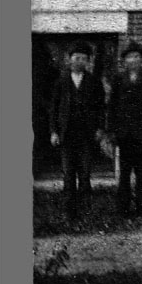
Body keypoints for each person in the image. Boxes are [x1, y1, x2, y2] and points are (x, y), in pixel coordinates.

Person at [50, 42, 106, 220]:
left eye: (84, 59)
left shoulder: (94, 82)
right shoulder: (61, 81)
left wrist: (99, 129)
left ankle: (85, 211)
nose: (80, 62)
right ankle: (69, 212)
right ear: (69, 60)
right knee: (68, 174)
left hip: (86, 135)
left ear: (88, 61)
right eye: (76, 58)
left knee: (84, 173)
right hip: (67, 135)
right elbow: (54, 109)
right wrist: (54, 132)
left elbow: (100, 108)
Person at [106, 41, 142, 217]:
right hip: (123, 134)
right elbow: (112, 107)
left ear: (141, 59)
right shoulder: (118, 80)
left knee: (141, 173)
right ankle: (123, 209)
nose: (133, 60)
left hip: (141, 134)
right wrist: (112, 131)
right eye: (130, 57)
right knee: (124, 173)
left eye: (137, 56)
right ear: (125, 60)